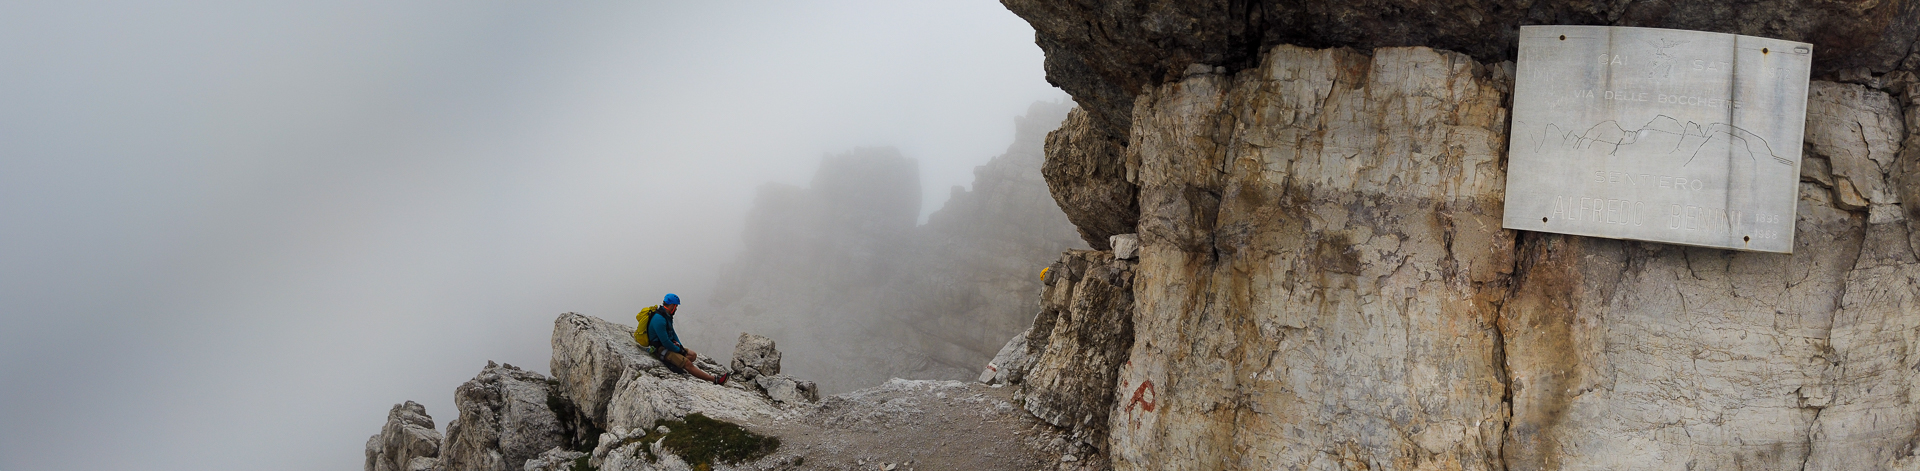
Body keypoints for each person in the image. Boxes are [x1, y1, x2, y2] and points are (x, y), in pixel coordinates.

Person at [636, 293, 728, 385]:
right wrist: (679, 351)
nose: (676, 309)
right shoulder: (659, 319)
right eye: (676, 306)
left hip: (667, 346)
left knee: (693, 355)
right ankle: (715, 380)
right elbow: (665, 342)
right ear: (672, 305)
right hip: (660, 349)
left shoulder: (666, 315)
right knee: (688, 363)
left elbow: (672, 332)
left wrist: (681, 347)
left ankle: (675, 362)